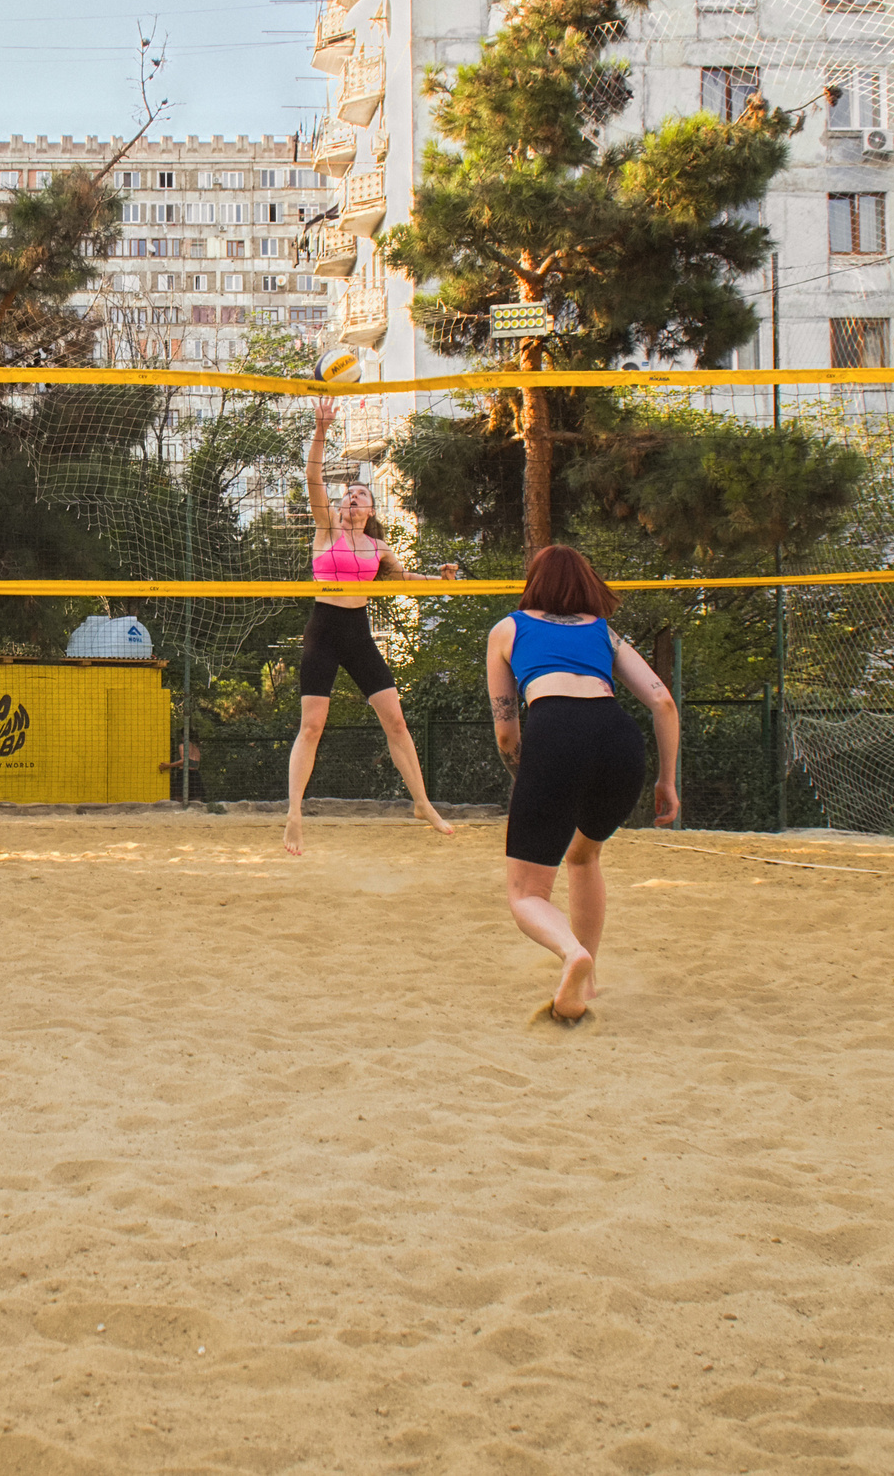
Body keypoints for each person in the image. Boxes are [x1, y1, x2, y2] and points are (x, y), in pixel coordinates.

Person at [485, 544, 681, 1021]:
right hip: (619, 740)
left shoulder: (508, 628)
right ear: (585, 585)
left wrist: (525, 774)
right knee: (583, 853)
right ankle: (587, 983)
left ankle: (574, 954)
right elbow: (663, 702)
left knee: (526, 894)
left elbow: (508, 730)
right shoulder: (604, 632)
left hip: (555, 732)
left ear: (532, 583)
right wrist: (667, 780)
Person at [284, 397, 462, 856]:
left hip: (357, 632)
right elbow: (313, 477)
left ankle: (422, 803)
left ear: (370, 507)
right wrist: (322, 428)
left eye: (359, 494)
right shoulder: (327, 528)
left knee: (396, 722)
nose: (351, 497)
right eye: (348, 495)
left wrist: (438, 580)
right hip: (323, 629)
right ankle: (294, 816)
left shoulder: (379, 548)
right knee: (312, 727)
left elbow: (403, 581)